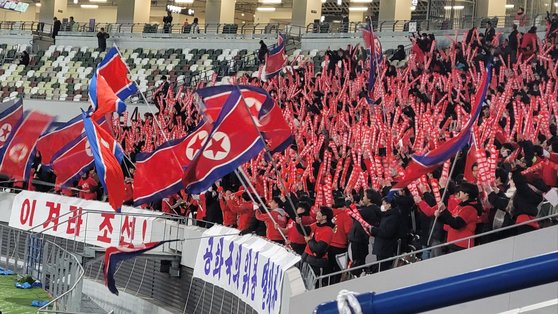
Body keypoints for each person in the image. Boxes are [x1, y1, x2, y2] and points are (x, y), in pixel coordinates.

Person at [435, 182, 480, 252]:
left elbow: (456, 224)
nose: (459, 192)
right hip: (454, 243)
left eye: (461, 191)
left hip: (461, 245)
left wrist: (444, 211)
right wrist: (440, 216)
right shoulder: (460, 206)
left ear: (466, 194)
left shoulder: (470, 209)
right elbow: (450, 220)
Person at [298, 206, 335, 287]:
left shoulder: (327, 231)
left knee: (314, 285)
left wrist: (309, 241)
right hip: (308, 259)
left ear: (324, 217)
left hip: (317, 263)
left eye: (319, 212)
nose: (316, 213)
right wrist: (298, 224)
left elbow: (319, 249)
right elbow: (304, 231)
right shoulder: (316, 225)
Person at [369, 197, 401, 272]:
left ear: (389, 205)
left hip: (385, 248)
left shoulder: (393, 217)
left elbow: (387, 232)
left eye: (383, 204)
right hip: (381, 248)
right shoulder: (386, 216)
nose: (382, 206)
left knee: (383, 269)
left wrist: (374, 230)